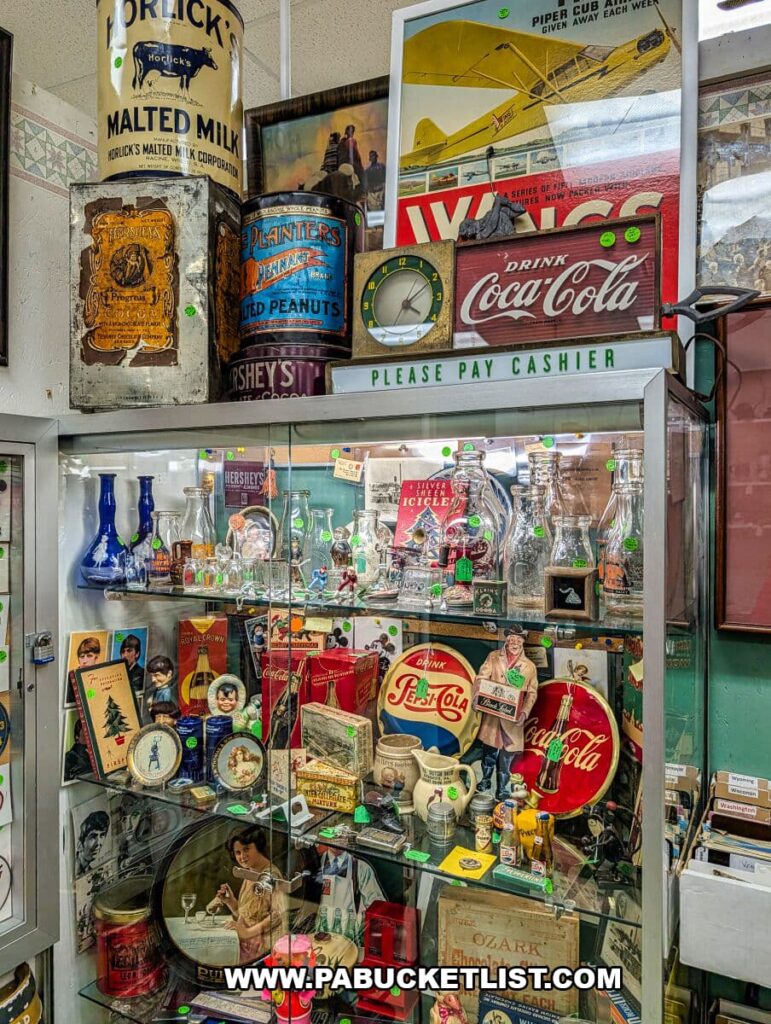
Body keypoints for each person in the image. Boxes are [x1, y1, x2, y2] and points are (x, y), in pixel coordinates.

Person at [472, 625, 539, 800]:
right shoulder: (494, 657)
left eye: (518, 639)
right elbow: (481, 678)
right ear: (507, 640)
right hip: (493, 715)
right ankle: (486, 780)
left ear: (523, 641)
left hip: (512, 719)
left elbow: (532, 693)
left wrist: (525, 712)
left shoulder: (529, 666)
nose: (514, 642)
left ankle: (501, 789)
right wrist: (478, 696)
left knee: (506, 759)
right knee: (489, 752)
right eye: (511, 639)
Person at [208, 825, 288, 963]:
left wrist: (247, 933)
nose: (242, 857)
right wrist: (231, 902)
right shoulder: (251, 871)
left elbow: (277, 916)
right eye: (238, 852)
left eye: (246, 849)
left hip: (264, 951)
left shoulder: (270, 876)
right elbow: (250, 915)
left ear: (258, 846)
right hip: (248, 947)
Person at [75, 810, 110, 876]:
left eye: (102, 835)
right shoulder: (74, 871)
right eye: (93, 837)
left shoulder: (89, 872)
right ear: (79, 845)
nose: (99, 843)